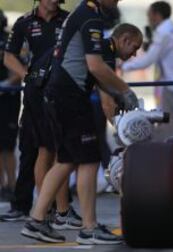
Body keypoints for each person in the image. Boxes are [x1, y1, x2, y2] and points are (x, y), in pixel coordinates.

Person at [21, 0, 142, 244]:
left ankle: (36, 220)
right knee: (88, 159)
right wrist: (126, 92)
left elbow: (100, 82)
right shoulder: (90, 17)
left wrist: (118, 95)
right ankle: (89, 228)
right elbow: (95, 66)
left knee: (66, 160)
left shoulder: (83, 14)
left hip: (59, 95)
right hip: (69, 96)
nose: (116, 2)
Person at [0, 0, 81, 229]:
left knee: (57, 150)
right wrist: (28, 75)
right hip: (36, 94)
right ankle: (42, 210)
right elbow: (9, 56)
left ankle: (54, 209)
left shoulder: (68, 19)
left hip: (62, 91)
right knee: (38, 150)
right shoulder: (24, 22)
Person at [122, 1, 173, 140]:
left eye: (149, 16)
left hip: (172, 86)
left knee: (169, 124)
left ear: (157, 15)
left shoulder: (164, 34)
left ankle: (171, 154)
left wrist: (122, 66)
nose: (148, 20)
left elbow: (147, 60)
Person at [0, 9, 21, 201]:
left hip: (8, 98)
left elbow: (20, 70)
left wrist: (5, 85)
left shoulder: (10, 40)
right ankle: (2, 185)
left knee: (7, 145)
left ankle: (11, 184)